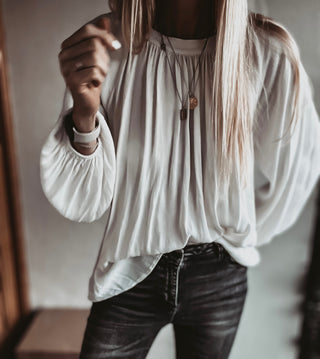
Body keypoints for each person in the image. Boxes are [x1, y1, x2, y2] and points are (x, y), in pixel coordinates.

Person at [40, 0, 320, 358]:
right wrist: (84, 112)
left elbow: (296, 171)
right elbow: (85, 198)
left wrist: (235, 238)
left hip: (218, 278)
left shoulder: (266, 52)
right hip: (130, 271)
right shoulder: (110, 44)